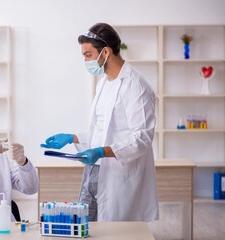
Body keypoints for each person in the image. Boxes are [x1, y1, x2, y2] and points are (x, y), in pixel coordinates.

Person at [41, 23, 158, 222]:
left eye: (88, 55)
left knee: (114, 232)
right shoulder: (104, 83)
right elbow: (100, 131)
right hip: (94, 170)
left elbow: (141, 139)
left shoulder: (135, 85)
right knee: (87, 225)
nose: (85, 61)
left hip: (118, 176)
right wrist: (73, 137)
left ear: (105, 52)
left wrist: (102, 151)